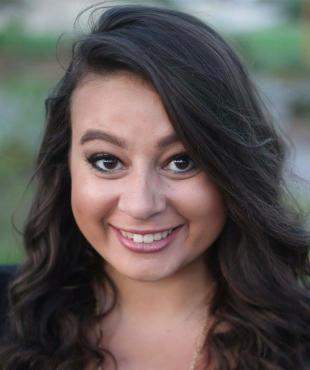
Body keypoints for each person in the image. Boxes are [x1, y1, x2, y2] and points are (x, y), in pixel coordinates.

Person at [0, 4, 309, 370]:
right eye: (107, 161)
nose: (141, 204)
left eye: (182, 162)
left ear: (233, 168)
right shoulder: (9, 313)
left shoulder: (299, 341)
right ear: (65, 166)